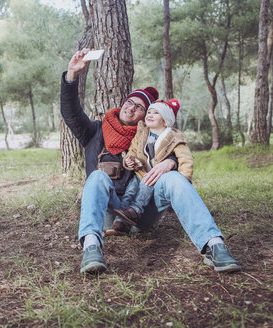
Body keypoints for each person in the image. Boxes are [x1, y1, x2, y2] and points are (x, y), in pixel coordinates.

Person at [60, 48, 241, 274]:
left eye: (140, 107)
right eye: (129, 102)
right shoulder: (95, 131)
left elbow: (171, 146)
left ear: (146, 116)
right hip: (110, 213)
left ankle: (214, 245)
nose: (131, 108)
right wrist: (71, 74)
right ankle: (91, 248)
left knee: (173, 177)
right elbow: (71, 113)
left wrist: (171, 161)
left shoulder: (151, 137)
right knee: (97, 176)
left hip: (143, 212)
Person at [114, 99, 193, 227]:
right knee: (130, 191)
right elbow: (133, 151)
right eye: (149, 112)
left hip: (157, 176)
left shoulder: (174, 138)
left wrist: (184, 181)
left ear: (165, 121)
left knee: (146, 184)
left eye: (156, 113)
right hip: (140, 172)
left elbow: (186, 159)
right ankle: (119, 222)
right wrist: (130, 160)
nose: (150, 115)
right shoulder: (142, 134)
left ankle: (135, 211)